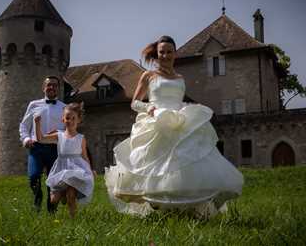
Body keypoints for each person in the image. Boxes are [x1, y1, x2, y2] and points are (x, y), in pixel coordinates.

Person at [104, 36, 244, 218]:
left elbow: (176, 99)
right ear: (157, 54)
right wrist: (149, 108)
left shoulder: (180, 78)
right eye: (162, 52)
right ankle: (158, 206)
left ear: (175, 54)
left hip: (178, 121)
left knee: (185, 161)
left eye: (169, 52)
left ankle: (185, 210)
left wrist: (186, 107)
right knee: (156, 163)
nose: (165, 55)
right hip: (156, 120)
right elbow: (134, 103)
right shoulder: (149, 76)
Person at [34, 103, 94, 218]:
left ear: (79, 120)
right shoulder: (59, 135)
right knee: (53, 200)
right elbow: (40, 139)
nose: (69, 121)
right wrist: (37, 123)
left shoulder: (81, 138)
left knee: (71, 196)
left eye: (73, 118)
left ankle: (73, 219)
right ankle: (62, 194)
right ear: (63, 119)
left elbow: (85, 156)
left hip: (76, 169)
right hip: (62, 168)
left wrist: (90, 170)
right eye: (67, 118)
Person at [19, 76, 66, 213]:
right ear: (43, 88)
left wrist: (61, 134)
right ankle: (37, 197)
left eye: (54, 85)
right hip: (36, 148)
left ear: (58, 88)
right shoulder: (33, 105)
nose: (51, 87)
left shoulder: (64, 108)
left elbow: (68, 129)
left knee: (53, 182)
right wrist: (26, 139)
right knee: (34, 176)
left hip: (55, 149)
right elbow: (24, 125)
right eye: (48, 85)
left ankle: (52, 210)